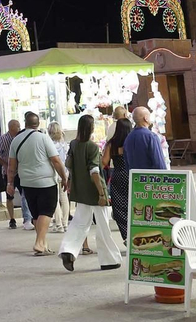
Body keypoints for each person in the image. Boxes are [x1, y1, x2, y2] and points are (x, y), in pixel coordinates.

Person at [59, 115, 122, 272]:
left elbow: (70, 165)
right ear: (91, 128)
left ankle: (68, 249)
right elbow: (94, 171)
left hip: (80, 190)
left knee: (79, 222)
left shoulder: (74, 144)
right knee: (102, 225)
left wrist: (70, 183)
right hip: (94, 191)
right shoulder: (92, 147)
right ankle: (109, 259)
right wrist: (102, 193)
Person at [6, 111, 65, 256]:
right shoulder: (43, 138)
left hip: (27, 182)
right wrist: (64, 177)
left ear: (25, 123)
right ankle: (39, 242)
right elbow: (56, 160)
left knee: (36, 214)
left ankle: (43, 244)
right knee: (46, 211)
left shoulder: (16, 140)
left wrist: (10, 183)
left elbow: (11, 166)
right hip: (45, 181)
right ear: (38, 124)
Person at [106, 106, 134, 239]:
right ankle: (136, 235)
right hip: (133, 177)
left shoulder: (112, 144)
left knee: (119, 209)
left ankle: (126, 236)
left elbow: (103, 162)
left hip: (118, 176)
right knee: (135, 206)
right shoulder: (132, 143)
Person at [0, 119, 24, 230]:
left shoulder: (21, 137)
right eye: (18, 126)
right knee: (9, 196)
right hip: (8, 172)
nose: (20, 128)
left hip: (20, 171)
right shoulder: (3, 139)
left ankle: (27, 218)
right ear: (11, 128)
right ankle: (12, 219)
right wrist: (5, 164)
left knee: (24, 194)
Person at [47, 121, 70, 234]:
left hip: (54, 174)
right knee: (64, 198)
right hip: (64, 172)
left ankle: (58, 224)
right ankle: (65, 223)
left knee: (55, 200)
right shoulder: (64, 144)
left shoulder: (49, 144)